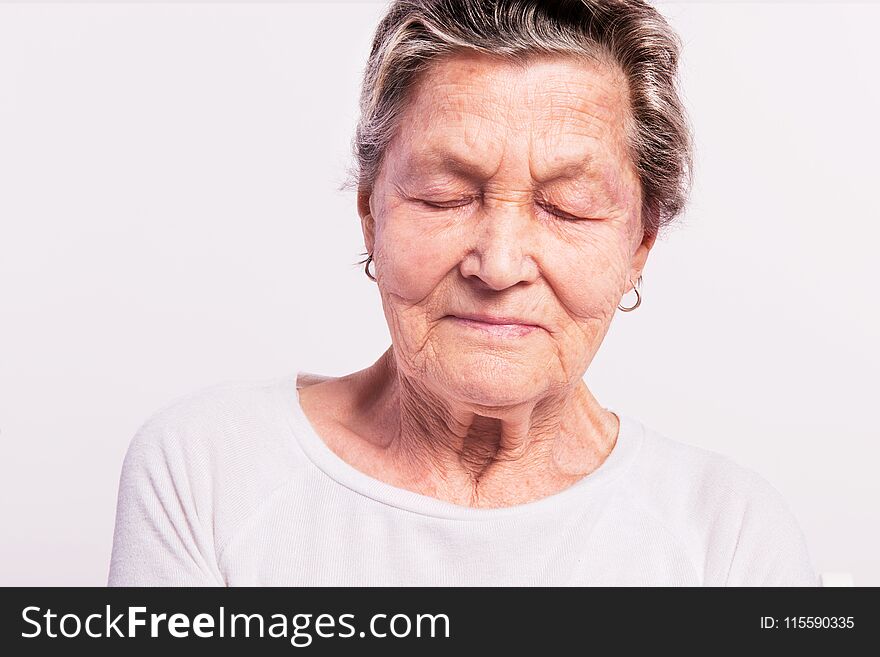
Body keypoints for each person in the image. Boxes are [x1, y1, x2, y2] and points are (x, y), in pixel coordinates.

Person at [108, 0, 816, 586]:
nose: (499, 263)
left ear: (640, 243)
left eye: (566, 207)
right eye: (445, 197)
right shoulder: (209, 469)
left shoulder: (730, 540)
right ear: (370, 213)